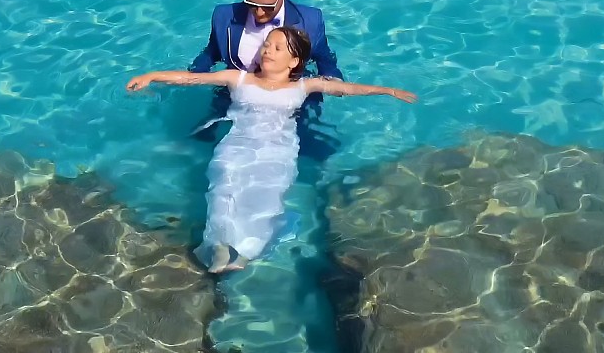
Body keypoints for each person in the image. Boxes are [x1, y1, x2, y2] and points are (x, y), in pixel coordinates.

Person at [127, 26, 415, 273]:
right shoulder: (238, 78)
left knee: (265, 200)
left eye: (277, 48)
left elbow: (346, 89)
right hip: (236, 149)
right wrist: (153, 75)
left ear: (294, 61)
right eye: (266, 44)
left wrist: (388, 91)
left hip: (278, 153)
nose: (267, 50)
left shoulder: (304, 86)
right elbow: (192, 79)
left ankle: (247, 249)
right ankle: (219, 247)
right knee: (224, 192)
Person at [187, 0, 343, 161]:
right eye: (252, 5)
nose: (259, 13)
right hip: (236, 92)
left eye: (267, 7)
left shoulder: (310, 21)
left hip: (289, 96)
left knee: (313, 153)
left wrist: (333, 78)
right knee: (200, 143)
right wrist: (195, 72)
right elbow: (212, 51)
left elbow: (324, 56)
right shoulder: (223, 16)